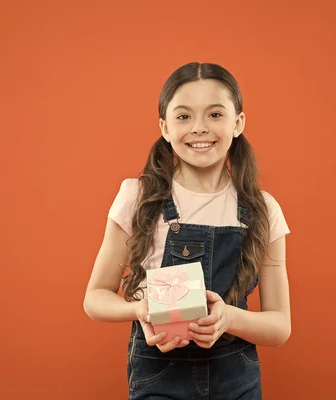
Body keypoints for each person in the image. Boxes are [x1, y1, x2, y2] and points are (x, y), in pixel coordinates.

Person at [84, 61, 291, 399]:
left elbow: (280, 327)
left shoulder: (262, 210)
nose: (199, 128)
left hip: (236, 379)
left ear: (238, 123)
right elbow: (94, 299)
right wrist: (139, 309)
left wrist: (228, 319)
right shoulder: (137, 197)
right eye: (183, 116)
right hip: (159, 375)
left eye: (215, 114)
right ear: (164, 127)